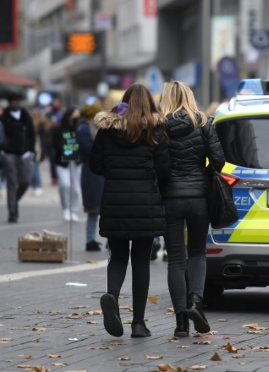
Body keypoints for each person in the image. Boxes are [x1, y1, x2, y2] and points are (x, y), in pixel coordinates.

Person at [89, 84, 169, 338]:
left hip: (115, 203)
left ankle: (112, 296)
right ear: (149, 104)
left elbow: (95, 165)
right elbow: (164, 171)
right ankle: (138, 323)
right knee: (141, 261)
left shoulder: (107, 130)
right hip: (145, 204)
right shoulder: (155, 131)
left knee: (118, 256)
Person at [160, 81, 226, 338]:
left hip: (170, 200)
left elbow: (157, 165)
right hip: (199, 198)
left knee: (175, 259)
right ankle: (196, 304)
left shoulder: (160, 127)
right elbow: (219, 161)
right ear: (190, 97)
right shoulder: (203, 123)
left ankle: (180, 322)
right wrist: (202, 174)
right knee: (197, 253)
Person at [0, 94, 36, 223]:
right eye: (14, 101)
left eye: (18, 101)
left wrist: (31, 151)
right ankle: (13, 212)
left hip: (25, 154)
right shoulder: (4, 117)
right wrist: (4, 150)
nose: (16, 103)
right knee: (11, 184)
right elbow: (1, 135)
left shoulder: (25, 115)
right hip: (10, 154)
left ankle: (13, 201)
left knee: (26, 181)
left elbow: (32, 134)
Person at [77, 102, 104, 251]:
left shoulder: (100, 128)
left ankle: (108, 239)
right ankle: (90, 239)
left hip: (101, 172)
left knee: (105, 209)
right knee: (94, 208)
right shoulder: (83, 129)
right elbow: (88, 149)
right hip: (91, 172)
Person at [53, 107, 82, 223]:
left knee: (75, 188)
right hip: (62, 161)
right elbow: (55, 144)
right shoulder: (59, 129)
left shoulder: (79, 128)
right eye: (75, 114)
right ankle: (66, 208)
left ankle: (74, 210)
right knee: (65, 185)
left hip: (76, 162)